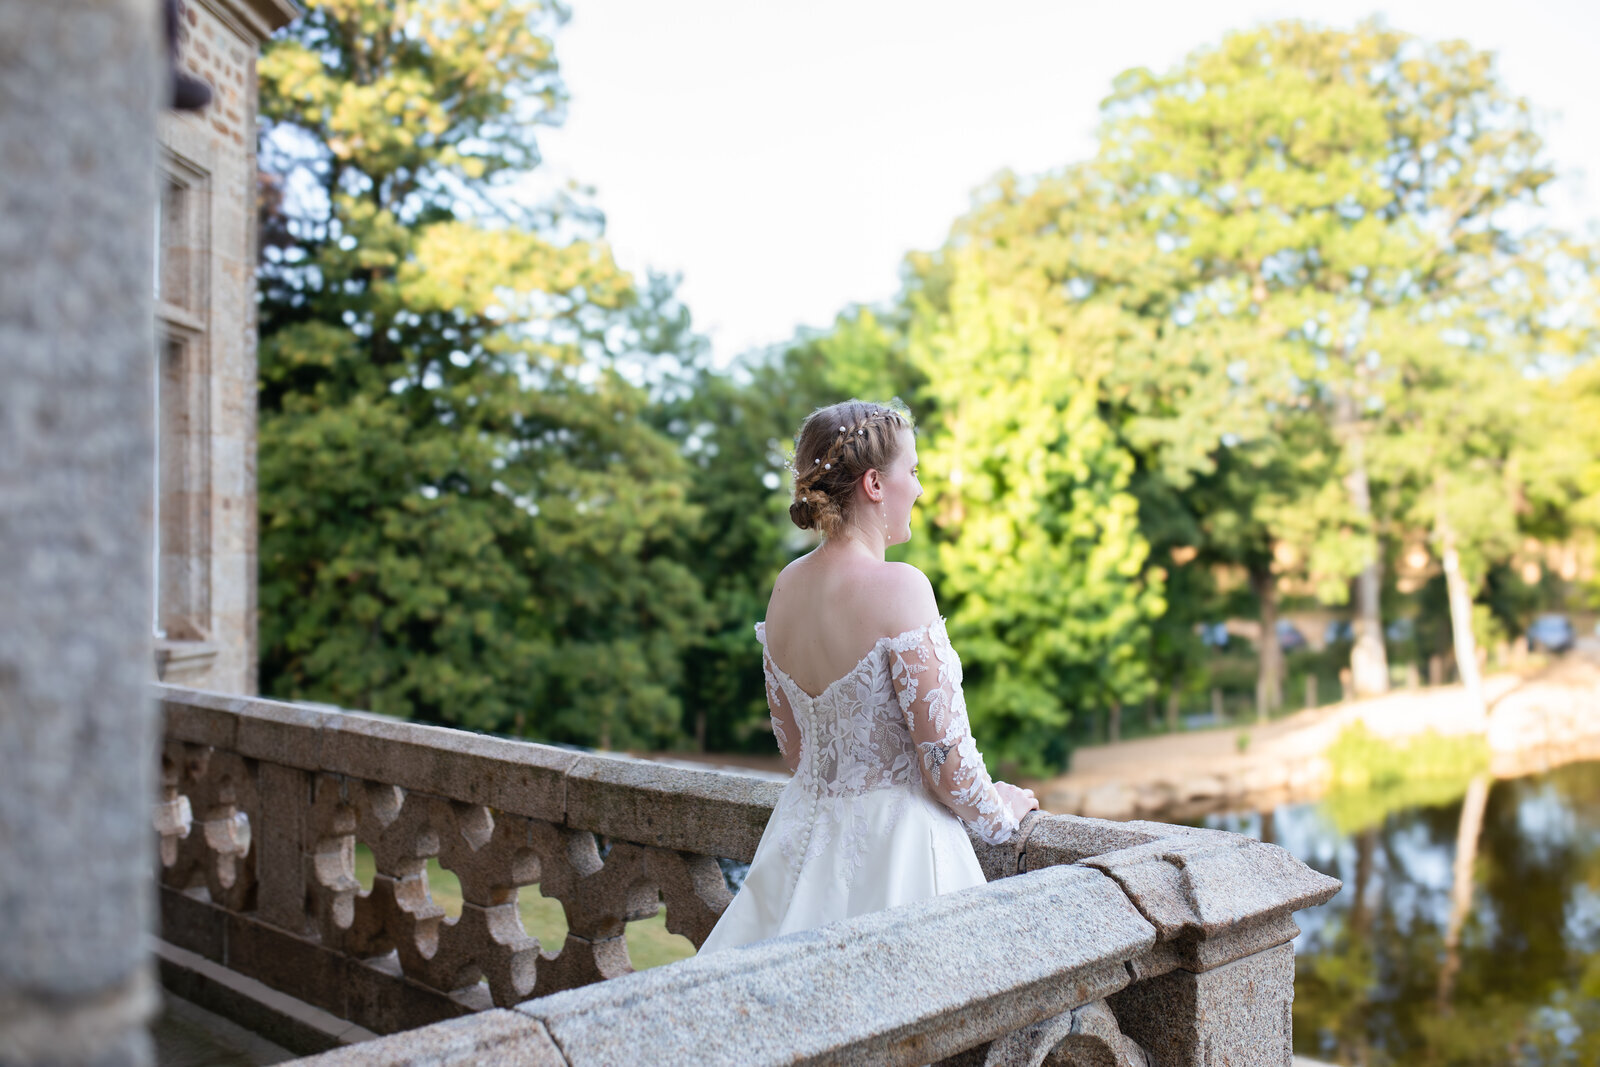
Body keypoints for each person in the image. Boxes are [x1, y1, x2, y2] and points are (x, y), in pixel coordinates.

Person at [698, 399, 1039, 954]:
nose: (921, 488)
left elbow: (795, 750)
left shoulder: (786, 588)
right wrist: (1000, 813)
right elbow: (944, 761)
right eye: (914, 470)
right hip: (900, 851)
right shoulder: (901, 587)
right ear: (876, 484)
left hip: (801, 839)